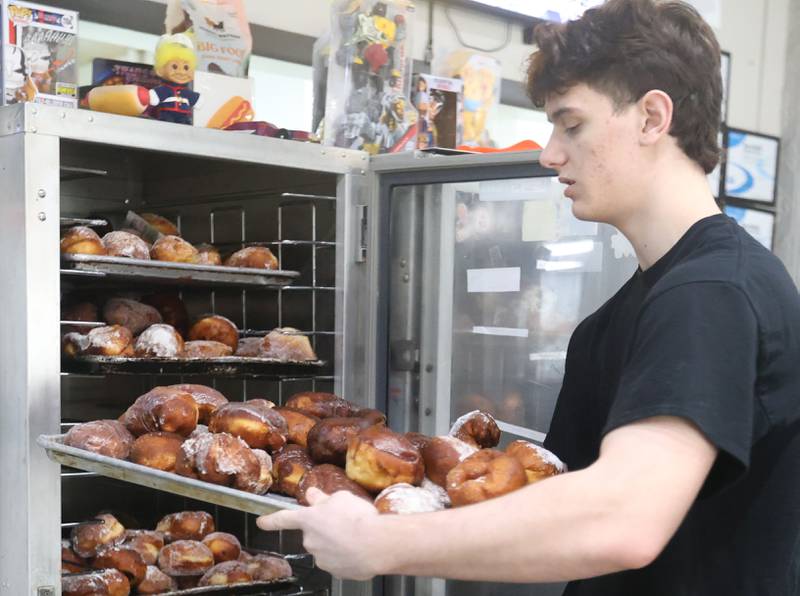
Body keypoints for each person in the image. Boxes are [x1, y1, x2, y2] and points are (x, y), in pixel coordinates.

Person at [258, 1, 800, 593]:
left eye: (572, 125)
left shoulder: (711, 293)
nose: (549, 154)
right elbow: (573, 497)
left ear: (651, 118)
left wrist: (380, 544)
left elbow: (624, 520)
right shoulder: (629, 311)